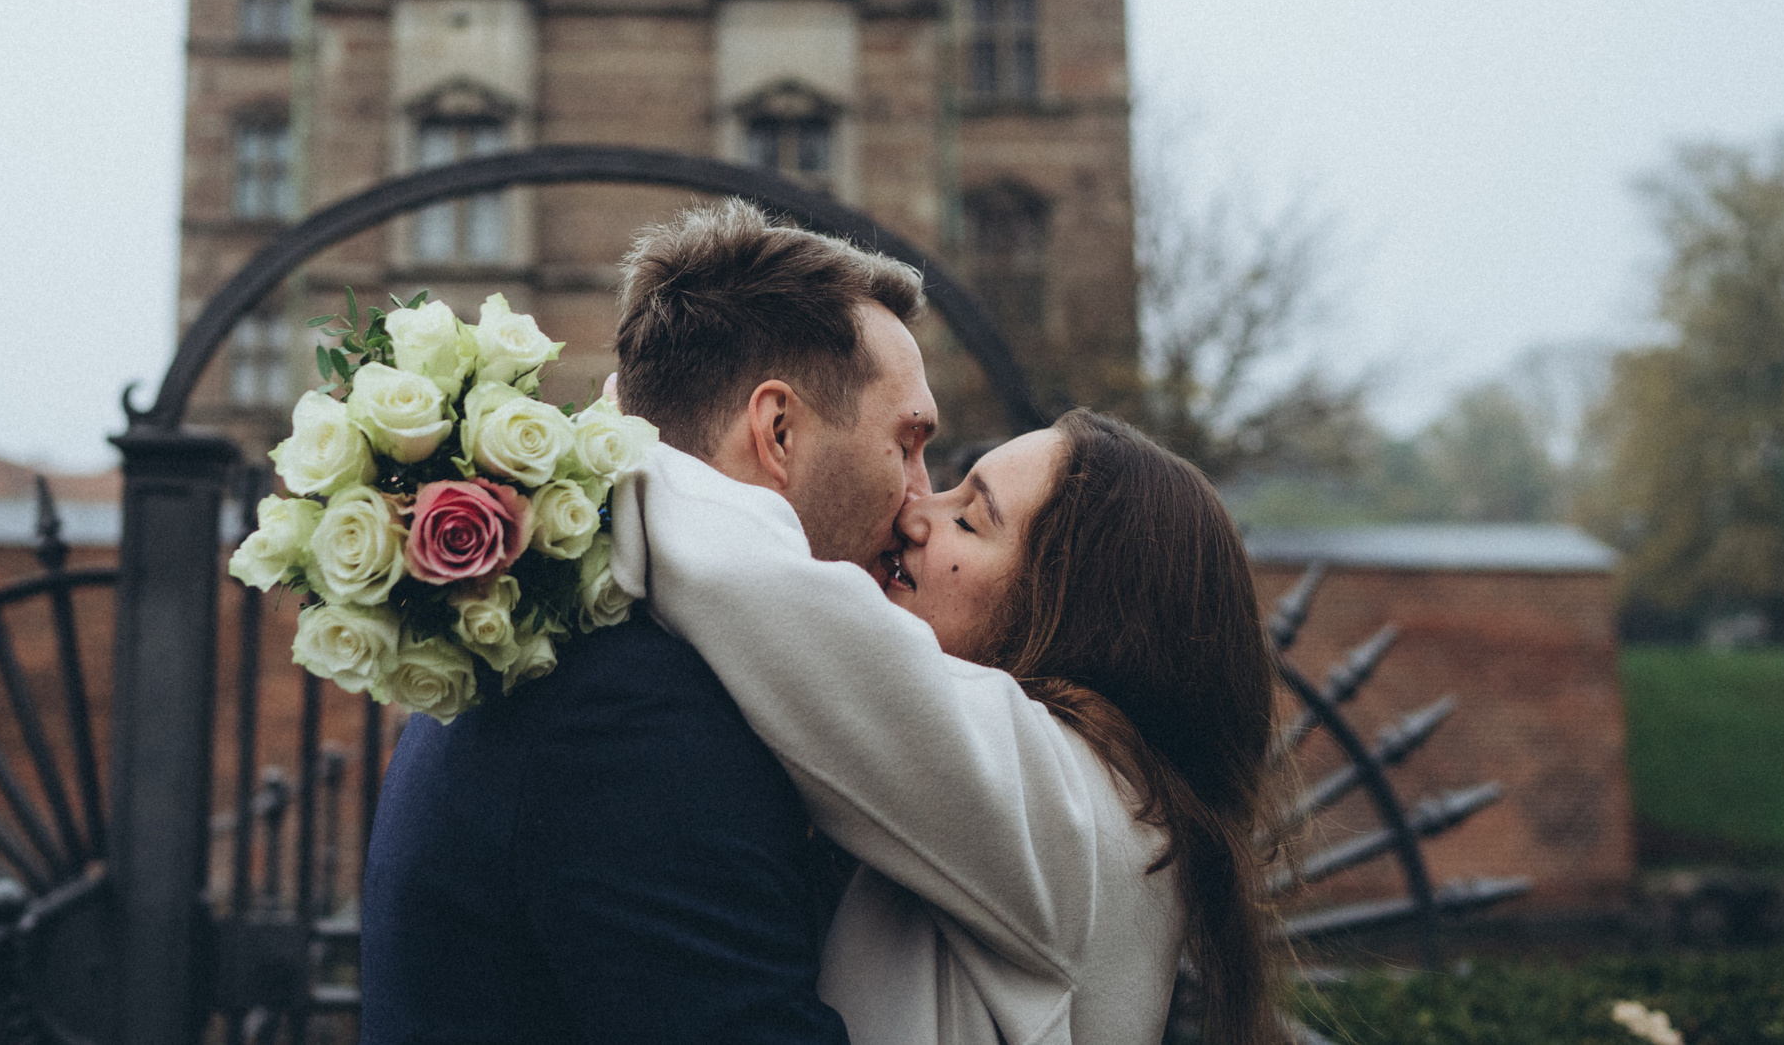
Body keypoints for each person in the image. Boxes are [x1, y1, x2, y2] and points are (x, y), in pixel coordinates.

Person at [358, 201, 939, 1045]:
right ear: (777, 430)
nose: (924, 499)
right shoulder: (632, 711)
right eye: (909, 443)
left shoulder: (587, 652)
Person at [611, 409, 1286, 1045]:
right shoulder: (1102, 810)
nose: (914, 511)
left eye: (969, 518)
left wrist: (607, 446)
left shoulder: (1075, 812)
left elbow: (757, 589)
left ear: (1072, 614)